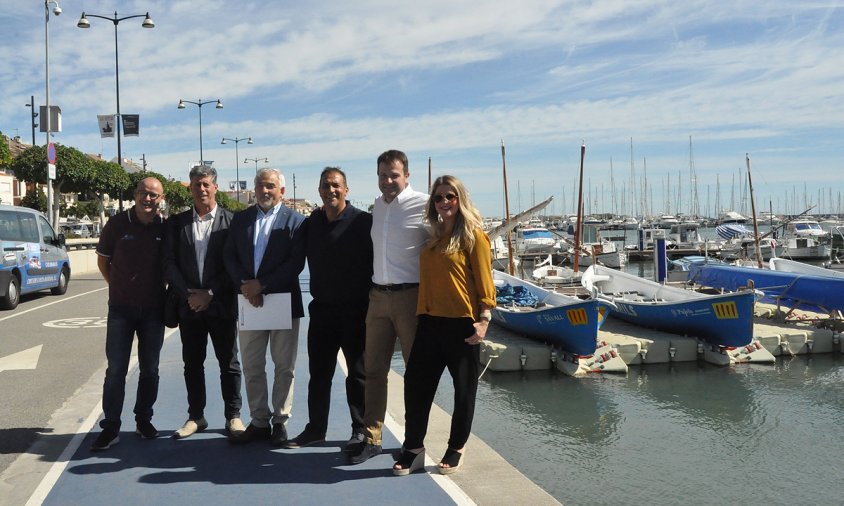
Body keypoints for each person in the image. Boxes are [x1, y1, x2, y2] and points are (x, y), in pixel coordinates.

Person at [392, 175, 495, 476]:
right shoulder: (433, 236)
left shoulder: (474, 236)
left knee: (464, 391)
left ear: (460, 199)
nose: (444, 202)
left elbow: (486, 282)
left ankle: (457, 447)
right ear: (433, 203)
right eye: (438, 197)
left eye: (450, 196)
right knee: (416, 387)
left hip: (462, 324)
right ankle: (413, 447)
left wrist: (484, 319)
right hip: (428, 321)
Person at [348, 149, 429, 464]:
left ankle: (413, 442)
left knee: (416, 373)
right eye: (382, 175)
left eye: (393, 175)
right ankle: (373, 438)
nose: (387, 181)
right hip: (378, 297)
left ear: (407, 175)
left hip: (410, 297)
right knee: (374, 371)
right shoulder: (377, 207)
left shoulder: (424, 204)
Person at [285, 167, 372, 452]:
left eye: (336, 185)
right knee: (318, 374)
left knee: (358, 375)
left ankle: (360, 430)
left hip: (356, 311)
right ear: (319, 190)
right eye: (325, 186)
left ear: (346, 189)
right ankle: (315, 429)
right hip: (322, 311)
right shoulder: (313, 223)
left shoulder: (363, 222)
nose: (330, 190)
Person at [223, 167, 306, 446]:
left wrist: (263, 285)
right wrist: (246, 286)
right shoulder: (241, 220)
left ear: (281, 191)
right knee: (252, 365)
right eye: (261, 186)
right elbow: (229, 255)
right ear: (254, 189)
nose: (265, 191)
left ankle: (280, 422)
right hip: (249, 303)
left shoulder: (295, 221)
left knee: (285, 366)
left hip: (283, 302)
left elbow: (295, 263)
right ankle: (259, 421)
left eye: (271, 186)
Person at [162, 165, 245, 439]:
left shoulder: (232, 222)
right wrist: (189, 294)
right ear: (191, 188)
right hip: (189, 307)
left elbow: (234, 265)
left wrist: (209, 293)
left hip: (220, 305)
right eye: (196, 184)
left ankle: (233, 416)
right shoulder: (177, 223)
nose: (201, 189)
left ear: (215, 187)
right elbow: (169, 263)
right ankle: (196, 417)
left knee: (229, 363)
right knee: (192, 364)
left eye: (206, 184)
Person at [90, 177, 167, 451]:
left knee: (150, 370)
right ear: (135, 195)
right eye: (144, 194)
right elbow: (103, 261)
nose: (148, 199)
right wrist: (119, 286)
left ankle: (143, 419)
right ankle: (111, 426)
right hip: (121, 310)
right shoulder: (117, 225)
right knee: (116, 370)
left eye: (154, 195)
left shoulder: (164, 227)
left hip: (154, 310)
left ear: (161, 198)